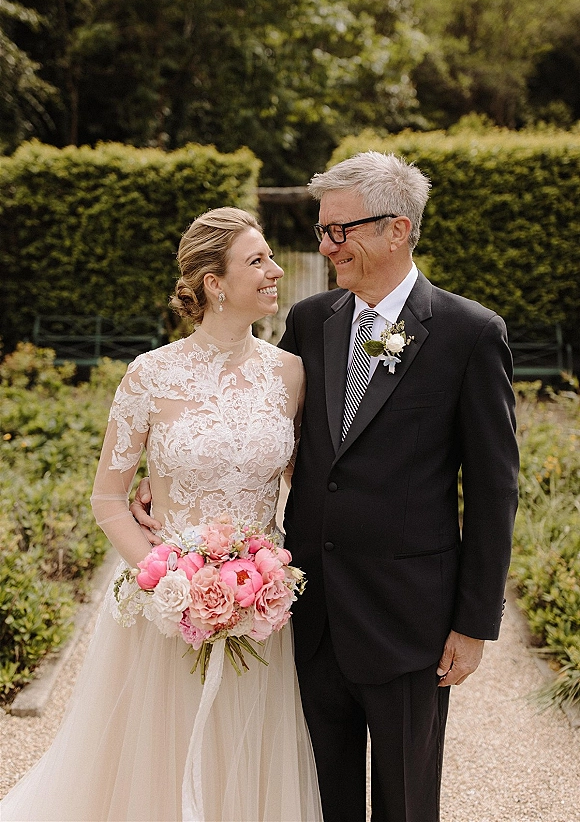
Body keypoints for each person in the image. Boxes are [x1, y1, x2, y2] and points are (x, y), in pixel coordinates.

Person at [132, 152, 520, 822]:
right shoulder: (312, 322)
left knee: (406, 803)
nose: (324, 245)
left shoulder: (469, 334)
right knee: (319, 801)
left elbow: (493, 491)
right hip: (308, 620)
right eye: (321, 229)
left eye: (339, 230)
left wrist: (473, 622)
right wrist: (170, 482)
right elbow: (273, 438)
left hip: (410, 624)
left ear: (396, 229)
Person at [0, 207, 323, 822]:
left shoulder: (292, 374)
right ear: (214, 283)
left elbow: (305, 484)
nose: (276, 270)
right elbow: (108, 498)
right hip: (167, 610)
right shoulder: (149, 375)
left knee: (251, 751)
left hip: (262, 606)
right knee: (157, 758)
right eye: (258, 260)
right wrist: (169, 578)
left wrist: (265, 575)